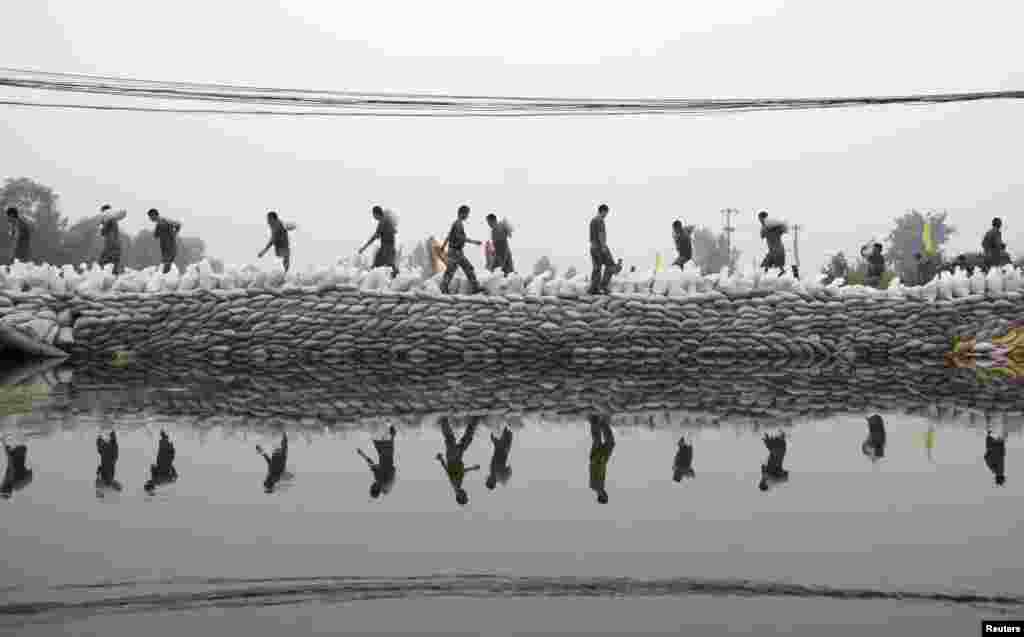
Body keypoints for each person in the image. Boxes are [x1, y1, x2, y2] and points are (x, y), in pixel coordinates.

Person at [435, 416, 481, 506]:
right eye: (466, 495)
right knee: (464, 441)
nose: (465, 493)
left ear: (459, 496)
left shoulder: (455, 486)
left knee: (451, 439)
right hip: (457, 457)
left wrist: (441, 460)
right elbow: (462, 472)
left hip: (453, 458)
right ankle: (474, 421)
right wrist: (472, 468)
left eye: (464, 496)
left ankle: (443, 420)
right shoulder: (458, 485)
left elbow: (448, 472)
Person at [440, 205, 482, 295]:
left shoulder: (455, 223)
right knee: (468, 268)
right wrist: (474, 242)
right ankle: (476, 287)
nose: (468, 216)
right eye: (467, 214)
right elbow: (461, 238)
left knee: (450, 271)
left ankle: (444, 288)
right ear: (462, 213)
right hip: (456, 252)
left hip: (452, 251)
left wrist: (443, 246)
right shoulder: (458, 224)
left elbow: (449, 235)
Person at [358, 425, 397, 499]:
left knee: (376, 437)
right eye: (372, 487)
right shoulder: (383, 483)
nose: (372, 485)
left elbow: (371, 464)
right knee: (382, 438)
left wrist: (362, 454)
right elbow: (392, 470)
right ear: (376, 489)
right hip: (386, 453)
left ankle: (389, 430)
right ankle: (390, 428)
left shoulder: (379, 480)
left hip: (384, 453)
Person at [358, 206, 398, 278]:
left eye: (373, 215)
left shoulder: (382, 222)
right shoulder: (386, 220)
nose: (373, 217)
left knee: (387, 266)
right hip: (387, 247)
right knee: (379, 265)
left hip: (387, 248)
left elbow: (374, 237)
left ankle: (394, 280)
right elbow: (393, 231)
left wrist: (363, 248)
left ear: (376, 214)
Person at [589, 204, 618, 295]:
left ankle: (594, 288)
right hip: (599, 247)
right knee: (611, 266)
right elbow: (601, 234)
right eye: (606, 213)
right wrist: (603, 247)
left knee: (597, 268)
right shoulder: (600, 220)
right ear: (603, 211)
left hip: (593, 247)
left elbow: (592, 236)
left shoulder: (593, 220)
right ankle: (603, 286)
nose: (606, 215)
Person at [588, 414, 615, 503]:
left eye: (605, 497)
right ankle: (600, 422)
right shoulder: (599, 487)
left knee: (602, 441)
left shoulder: (597, 487)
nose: (606, 495)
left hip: (598, 459)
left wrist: (599, 460)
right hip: (600, 460)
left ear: (602, 497)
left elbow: (594, 470)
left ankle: (596, 421)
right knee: (605, 442)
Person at [147, 209, 181, 274]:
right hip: (165, 249)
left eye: (150, 217)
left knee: (165, 269)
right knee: (164, 268)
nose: (150, 219)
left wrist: (174, 234)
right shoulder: (158, 224)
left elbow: (178, 224)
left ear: (154, 215)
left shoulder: (165, 221)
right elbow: (156, 235)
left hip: (170, 249)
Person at [97, 204, 124, 274]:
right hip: (116, 247)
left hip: (111, 248)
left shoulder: (110, 220)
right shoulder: (113, 220)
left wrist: (102, 224)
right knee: (113, 268)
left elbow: (103, 232)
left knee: (103, 265)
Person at [758, 210, 786, 275]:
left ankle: (782, 274)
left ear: (763, 218)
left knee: (765, 266)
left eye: (760, 219)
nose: (759, 221)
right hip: (774, 250)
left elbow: (762, 235)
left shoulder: (768, 227)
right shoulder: (771, 227)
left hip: (776, 250)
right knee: (765, 266)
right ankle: (781, 273)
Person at [485, 426, 513, 490]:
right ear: (492, 482)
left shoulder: (493, 473)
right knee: (502, 427)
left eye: (487, 480)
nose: (488, 478)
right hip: (502, 447)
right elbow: (509, 469)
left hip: (500, 447)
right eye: (488, 481)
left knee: (494, 433)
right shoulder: (499, 477)